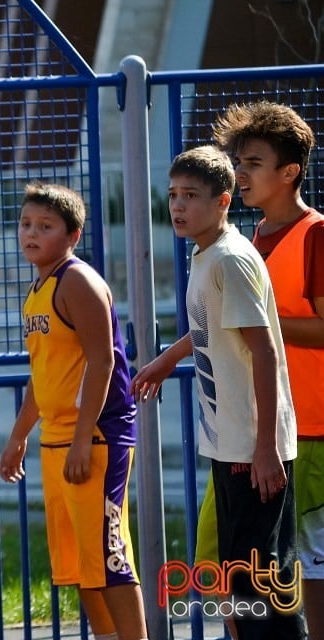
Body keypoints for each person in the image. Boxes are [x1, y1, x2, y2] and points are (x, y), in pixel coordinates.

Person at [132, 145, 306, 639]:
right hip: (231, 447)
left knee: (263, 588)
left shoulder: (230, 259)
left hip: (255, 453)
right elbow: (214, 327)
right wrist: (168, 358)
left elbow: (266, 352)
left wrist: (267, 448)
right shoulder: (206, 253)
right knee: (242, 581)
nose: (179, 206)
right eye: (172, 195)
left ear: (223, 201)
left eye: (191, 195)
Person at [0, 182, 148, 640]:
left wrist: (84, 438)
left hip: (96, 438)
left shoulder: (77, 280)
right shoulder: (37, 288)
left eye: (45, 226)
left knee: (109, 557)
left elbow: (102, 361)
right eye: (26, 224)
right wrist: (19, 435)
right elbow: (42, 375)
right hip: (57, 440)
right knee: (78, 567)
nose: (31, 233)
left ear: (73, 235)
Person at [212, 101, 324, 640]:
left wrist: (264, 324)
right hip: (254, 434)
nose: (240, 171)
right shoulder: (245, 241)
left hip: (309, 431)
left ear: (289, 172)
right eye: (238, 161)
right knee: (234, 565)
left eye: (253, 162)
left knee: (303, 565)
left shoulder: (316, 234)